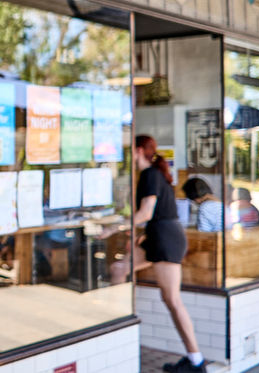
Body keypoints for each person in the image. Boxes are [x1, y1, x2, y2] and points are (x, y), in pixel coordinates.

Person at [111, 135, 206, 373]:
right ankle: (114, 337)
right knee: (119, 269)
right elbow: (150, 215)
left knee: (172, 300)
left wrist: (116, 226)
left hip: (166, 239)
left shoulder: (150, 175)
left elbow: (146, 212)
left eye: (128, 150)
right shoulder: (152, 174)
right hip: (159, 236)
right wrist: (138, 234)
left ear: (139, 150)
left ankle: (196, 361)